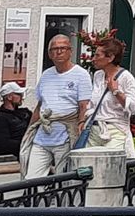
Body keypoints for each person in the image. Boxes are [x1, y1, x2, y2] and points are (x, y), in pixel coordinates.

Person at [21, 34, 92, 178]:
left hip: (65, 135)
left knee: (63, 177)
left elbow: (84, 105)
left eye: (63, 48)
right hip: (42, 135)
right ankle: (34, 193)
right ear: (49, 54)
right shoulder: (46, 75)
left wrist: (81, 125)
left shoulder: (81, 74)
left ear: (70, 51)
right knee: (31, 177)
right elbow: (40, 105)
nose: (59, 52)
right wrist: (30, 129)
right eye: (55, 49)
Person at [84, 36, 135, 157]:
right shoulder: (98, 75)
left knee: (109, 166)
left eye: (97, 55)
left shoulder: (126, 77)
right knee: (89, 166)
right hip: (94, 130)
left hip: (115, 130)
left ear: (110, 58)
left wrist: (116, 91)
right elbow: (93, 102)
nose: (93, 59)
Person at [0, 82, 31, 159]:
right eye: (19, 94)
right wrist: (27, 144)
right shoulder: (1, 120)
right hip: (19, 155)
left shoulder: (25, 113)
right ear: (9, 97)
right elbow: (4, 144)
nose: (22, 97)